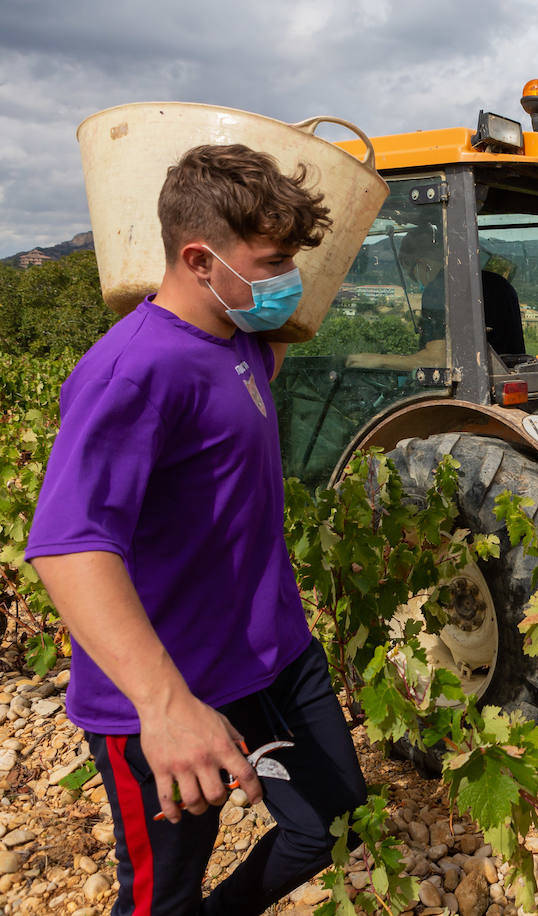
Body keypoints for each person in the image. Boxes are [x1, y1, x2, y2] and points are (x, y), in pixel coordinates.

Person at [25, 144, 367, 916]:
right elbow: (69, 546)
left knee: (332, 825)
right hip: (169, 687)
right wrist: (165, 708)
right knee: (161, 896)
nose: (287, 280)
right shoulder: (134, 372)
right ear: (198, 259)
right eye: (273, 261)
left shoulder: (239, 339)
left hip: (272, 656)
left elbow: (282, 334)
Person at [348, 226, 524, 369]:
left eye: (413, 275)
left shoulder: (441, 288)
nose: (418, 281)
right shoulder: (499, 283)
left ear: (421, 264)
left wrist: (377, 360)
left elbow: (437, 360)